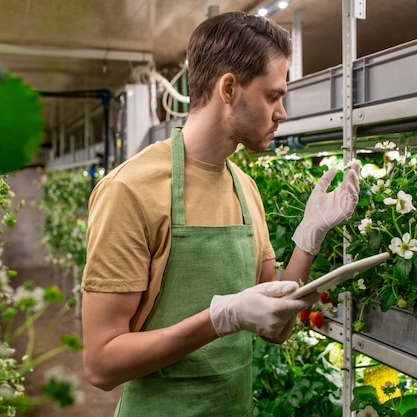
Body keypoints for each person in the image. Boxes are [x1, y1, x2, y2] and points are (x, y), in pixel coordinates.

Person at [81, 10, 360, 416]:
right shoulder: (130, 189)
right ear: (229, 87)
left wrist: (309, 236)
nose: (282, 113)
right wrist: (222, 317)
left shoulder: (244, 189)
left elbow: (278, 328)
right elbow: (101, 364)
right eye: (273, 96)